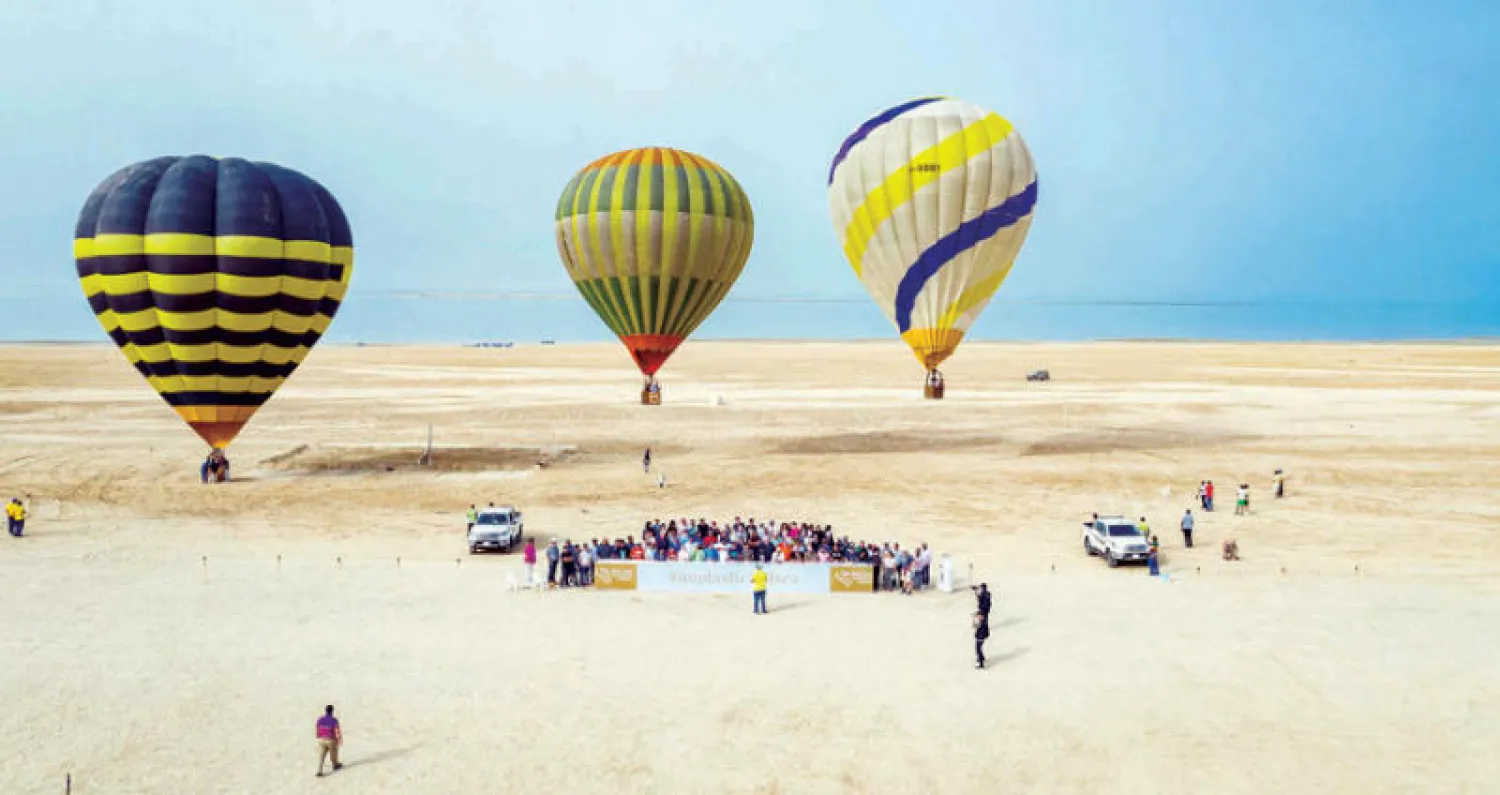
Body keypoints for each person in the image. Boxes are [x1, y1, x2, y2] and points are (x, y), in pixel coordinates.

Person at [315, 705, 343, 777]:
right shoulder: (334, 720)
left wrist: (318, 736)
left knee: (322, 755)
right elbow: (336, 731)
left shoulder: (320, 719)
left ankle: (319, 771)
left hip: (322, 739)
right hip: (331, 739)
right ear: (332, 711)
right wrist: (339, 739)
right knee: (333, 752)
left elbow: (318, 728)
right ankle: (335, 764)